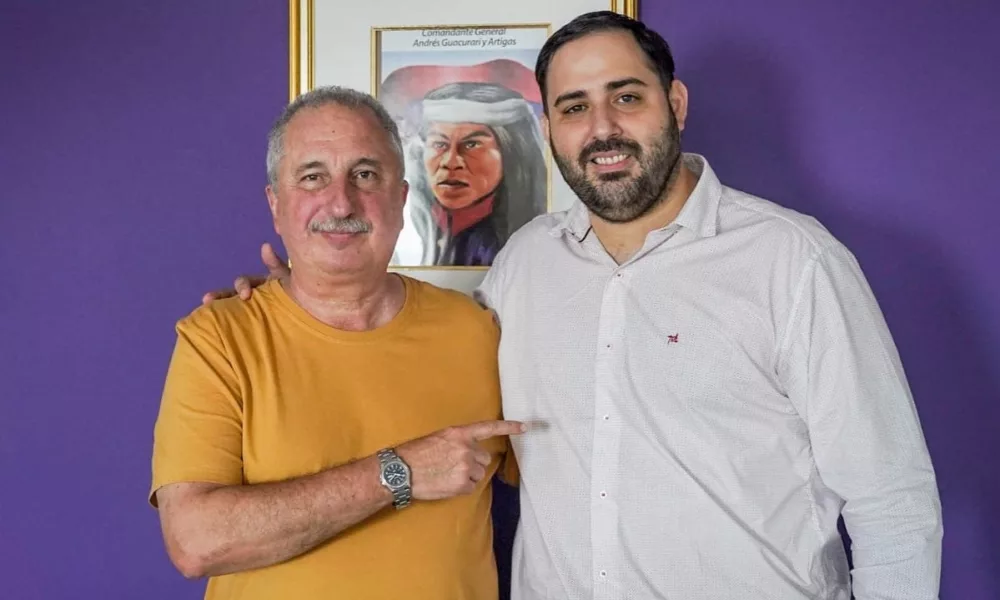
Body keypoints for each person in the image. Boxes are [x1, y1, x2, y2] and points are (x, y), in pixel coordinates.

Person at [212, 11, 943, 600]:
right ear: (550, 131)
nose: (602, 129)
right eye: (574, 107)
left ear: (675, 104)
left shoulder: (794, 262)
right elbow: (412, 341)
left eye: (626, 97)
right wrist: (305, 297)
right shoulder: (524, 265)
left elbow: (895, 504)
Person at [151, 86, 524, 600]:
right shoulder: (218, 339)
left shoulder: (478, 331)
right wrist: (399, 473)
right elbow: (196, 542)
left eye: (365, 174)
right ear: (276, 205)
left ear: (401, 199)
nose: (341, 201)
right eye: (312, 177)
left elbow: (575, 474)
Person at [402, 82, 547, 266]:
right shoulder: (423, 232)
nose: (450, 162)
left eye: (471, 145)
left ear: (511, 151)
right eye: (439, 144)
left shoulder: (520, 246)